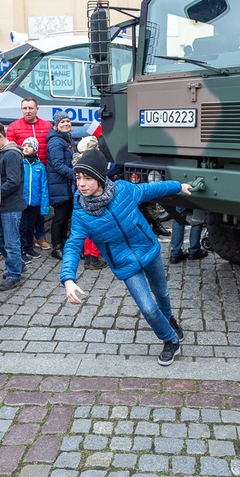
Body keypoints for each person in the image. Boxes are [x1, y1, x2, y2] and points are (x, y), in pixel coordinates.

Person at [62, 149, 192, 366]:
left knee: (162, 292)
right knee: (149, 308)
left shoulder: (123, 190)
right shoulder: (81, 213)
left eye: (87, 178)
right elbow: (73, 245)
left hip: (148, 250)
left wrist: (179, 186)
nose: (81, 183)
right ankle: (170, 340)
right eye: (78, 178)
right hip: (124, 263)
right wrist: (68, 278)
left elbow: (150, 189)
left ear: (100, 178)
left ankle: (169, 320)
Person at [5, 97, 52, 250]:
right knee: (27, 208)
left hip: (41, 170)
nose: (27, 111)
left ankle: (40, 236)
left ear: (37, 109)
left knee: (39, 205)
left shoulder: (47, 126)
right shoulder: (13, 127)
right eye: (24, 108)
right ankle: (26, 240)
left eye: (30, 108)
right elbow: (10, 148)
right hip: (24, 172)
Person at [0, 121, 25, 291]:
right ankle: (17, 264)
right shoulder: (2, 153)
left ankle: (14, 274)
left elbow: (13, 181)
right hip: (0, 205)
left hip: (11, 206)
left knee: (11, 242)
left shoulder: (11, 154)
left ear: (0, 137)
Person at [47, 112, 78, 260]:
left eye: (68, 121)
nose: (66, 124)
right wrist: (74, 174)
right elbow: (57, 164)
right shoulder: (55, 142)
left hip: (67, 184)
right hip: (59, 184)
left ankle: (64, 242)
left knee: (66, 216)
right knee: (59, 217)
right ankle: (56, 246)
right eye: (62, 122)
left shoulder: (68, 139)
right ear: (56, 125)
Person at [75, 136, 107, 270]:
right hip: (93, 200)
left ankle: (88, 257)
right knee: (97, 229)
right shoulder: (93, 163)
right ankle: (93, 258)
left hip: (83, 201)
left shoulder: (78, 162)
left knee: (87, 230)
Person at [19, 136, 49, 265]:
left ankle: (29, 248)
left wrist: (44, 205)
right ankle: (21, 250)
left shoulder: (40, 166)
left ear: (35, 149)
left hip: (35, 202)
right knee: (22, 227)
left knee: (31, 227)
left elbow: (44, 185)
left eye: (29, 146)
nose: (26, 148)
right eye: (24, 145)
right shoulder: (20, 163)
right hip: (22, 202)